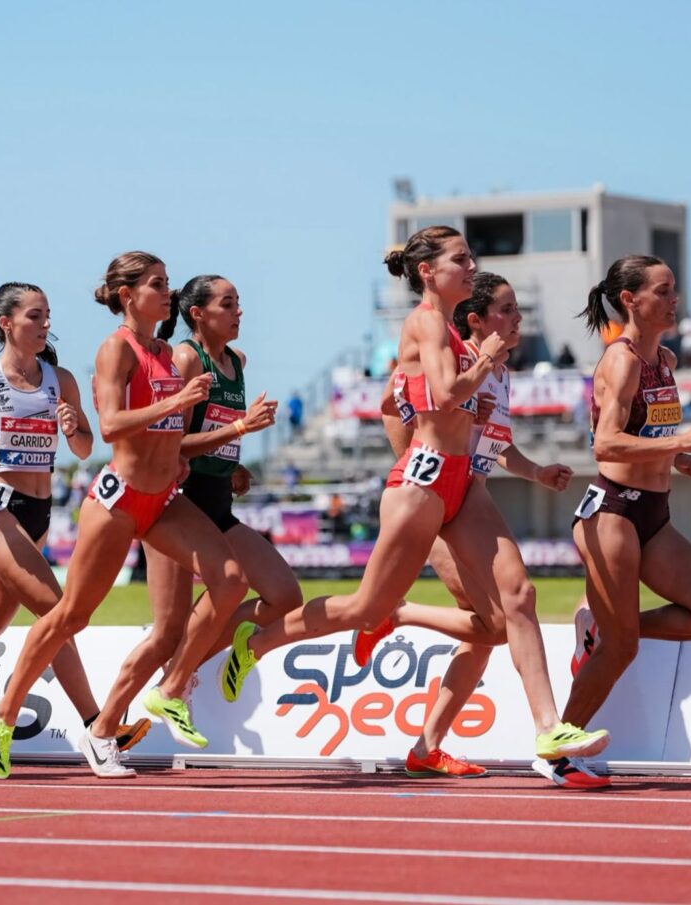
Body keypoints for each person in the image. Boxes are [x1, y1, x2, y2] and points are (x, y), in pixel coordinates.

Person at [217, 227, 609, 767]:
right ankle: (255, 643)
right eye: (460, 258)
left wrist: (533, 469)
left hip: (464, 487)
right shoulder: (424, 323)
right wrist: (483, 360)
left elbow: (471, 418)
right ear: (428, 271)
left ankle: (549, 729)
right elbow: (446, 395)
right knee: (365, 607)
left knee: (518, 597)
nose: (471, 265)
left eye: (471, 257)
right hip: (422, 485)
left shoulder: (453, 334)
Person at [0, 252, 252, 780]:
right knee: (66, 615)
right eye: (158, 284)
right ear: (129, 295)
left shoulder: (163, 352)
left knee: (229, 582)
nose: (168, 292)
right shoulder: (117, 348)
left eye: (169, 284)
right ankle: (6, 717)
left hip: (160, 501)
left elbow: (96, 438)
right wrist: (174, 404)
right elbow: (111, 427)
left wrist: (207, 449)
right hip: (114, 500)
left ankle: (170, 690)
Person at [356, 272, 610, 787]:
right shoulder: (449, 354)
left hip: (470, 497)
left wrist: (535, 471)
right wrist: (416, 473)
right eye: (508, 310)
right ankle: (395, 615)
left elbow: (495, 444)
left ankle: (433, 746)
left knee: (500, 617)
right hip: (435, 502)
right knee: (499, 618)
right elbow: (391, 406)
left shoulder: (498, 371)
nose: (519, 320)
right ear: (477, 319)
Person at [88, 273, 292, 744]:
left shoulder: (236, 362)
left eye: (239, 302)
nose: (239, 311)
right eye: (228, 303)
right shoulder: (183, 357)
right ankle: (106, 725)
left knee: (283, 595)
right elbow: (173, 443)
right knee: (167, 632)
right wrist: (238, 431)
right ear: (197, 313)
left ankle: (176, 680)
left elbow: (210, 435)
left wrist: (232, 464)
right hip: (175, 504)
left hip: (216, 505)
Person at [565, 256, 691, 781]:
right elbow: (605, 443)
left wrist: (676, 456)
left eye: (675, 289)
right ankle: (560, 746)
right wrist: (682, 440)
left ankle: (598, 627)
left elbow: (648, 433)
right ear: (631, 300)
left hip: (653, 516)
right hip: (611, 511)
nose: (674, 298)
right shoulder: (622, 360)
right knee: (621, 648)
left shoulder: (663, 359)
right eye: (663, 291)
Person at [0, 282, 149, 756]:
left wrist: (72, 426)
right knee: (58, 611)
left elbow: (82, 447)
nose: (45, 324)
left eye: (47, 315)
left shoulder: (60, 380)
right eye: (34, 316)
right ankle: (98, 727)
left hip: (38, 511)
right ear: (7, 324)